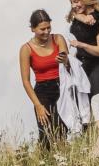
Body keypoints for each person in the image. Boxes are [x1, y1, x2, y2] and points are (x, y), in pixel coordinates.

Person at [20, 10, 68, 143]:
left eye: (48, 27)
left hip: (62, 86)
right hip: (43, 91)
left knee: (63, 127)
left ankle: (66, 156)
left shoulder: (58, 38)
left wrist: (64, 59)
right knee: (46, 131)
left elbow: (67, 59)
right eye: (42, 29)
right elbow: (26, 81)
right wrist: (38, 105)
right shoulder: (26, 49)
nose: (46, 31)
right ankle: (46, 158)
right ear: (33, 29)